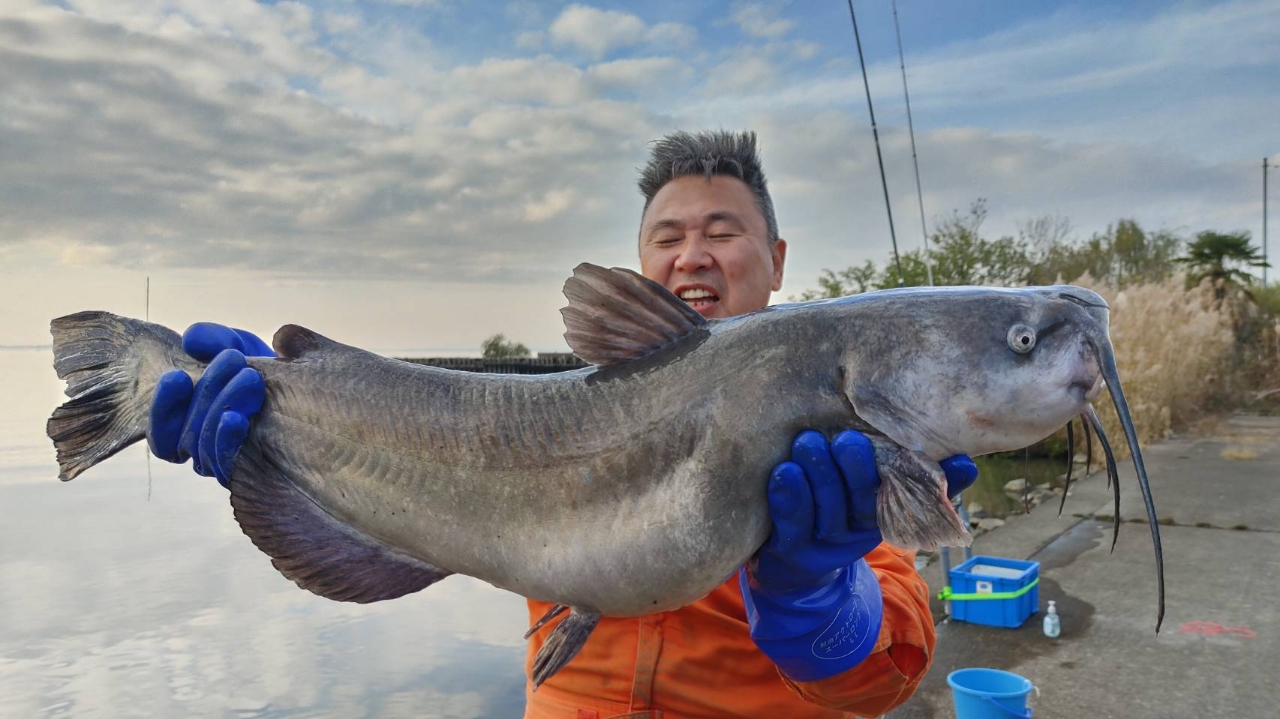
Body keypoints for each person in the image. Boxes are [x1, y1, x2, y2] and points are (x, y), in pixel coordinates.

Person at [149, 130, 977, 718]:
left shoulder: (848, 425)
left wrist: (820, 602)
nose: (693, 255)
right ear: (641, 261)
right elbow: (435, 443)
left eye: (723, 233)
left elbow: (881, 678)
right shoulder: (563, 400)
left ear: (779, 258)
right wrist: (286, 426)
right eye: (669, 236)